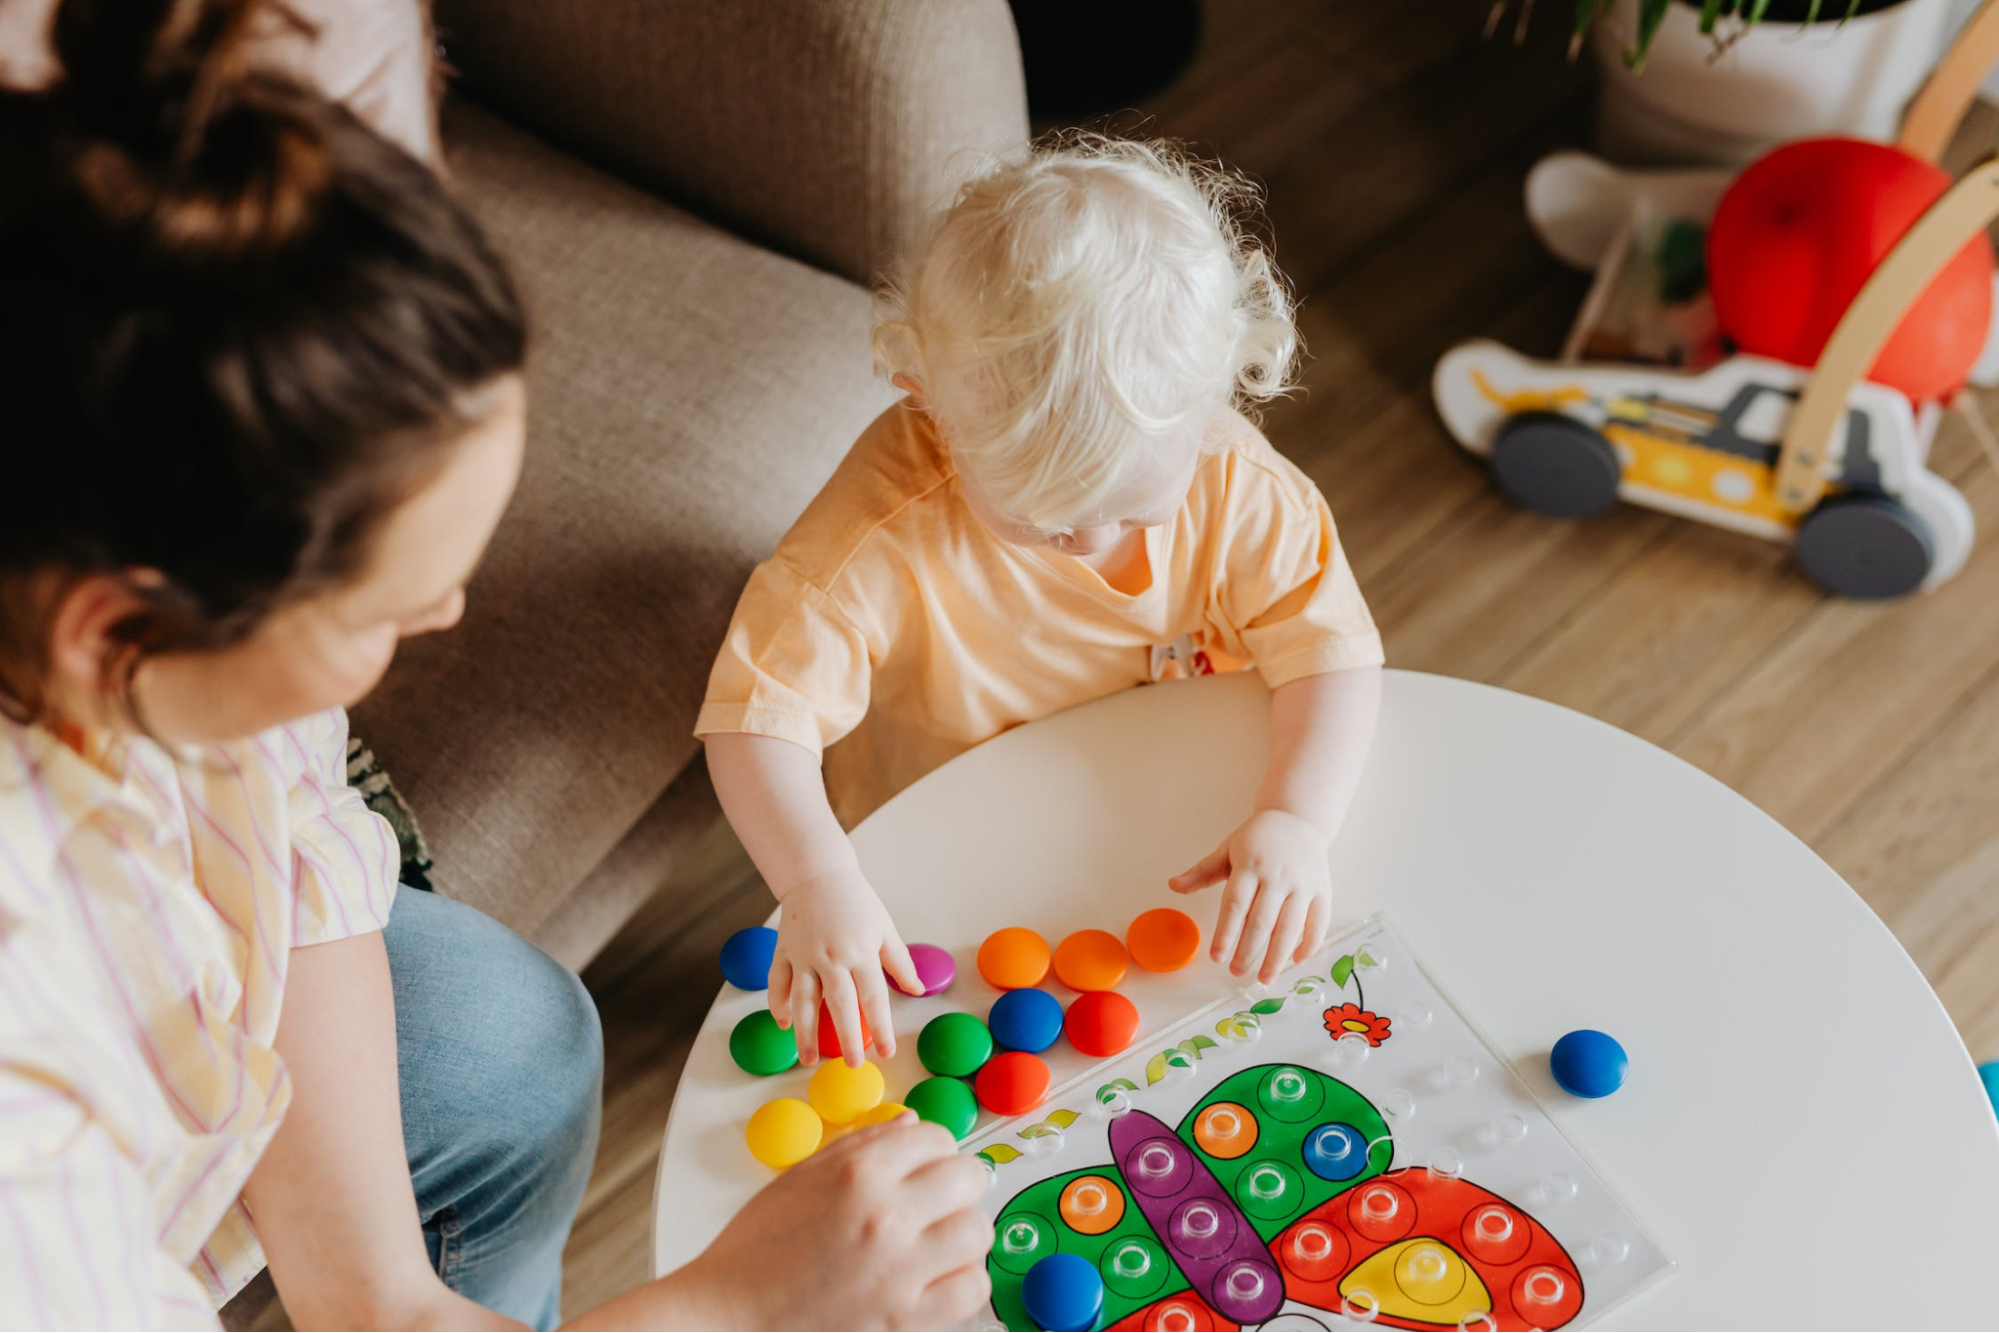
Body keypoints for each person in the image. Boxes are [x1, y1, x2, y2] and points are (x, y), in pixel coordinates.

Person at [0, 2, 991, 1328]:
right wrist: (733, 1310)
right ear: (113, 632)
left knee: (511, 1049)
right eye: (379, 607)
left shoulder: (121, 515)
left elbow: (286, 823)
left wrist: (387, 1300)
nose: (447, 613)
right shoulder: (28, 1087)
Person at [699, 137, 1386, 1070]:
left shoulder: (1237, 484)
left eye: (1136, 509)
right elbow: (753, 721)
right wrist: (818, 881)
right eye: (1041, 523)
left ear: (1214, 398)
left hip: (1168, 801)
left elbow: (1331, 655)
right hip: (946, 811)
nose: (1094, 541)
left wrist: (1297, 815)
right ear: (928, 404)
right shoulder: (880, 530)